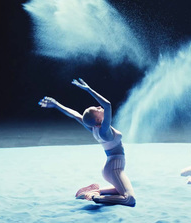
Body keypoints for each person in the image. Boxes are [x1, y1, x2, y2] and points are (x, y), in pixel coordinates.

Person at [38, 78, 136, 207]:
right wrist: (88, 89)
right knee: (129, 199)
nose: (99, 107)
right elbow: (107, 105)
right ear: (98, 119)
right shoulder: (104, 131)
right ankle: (95, 197)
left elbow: (75, 115)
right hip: (114, 168)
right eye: (97, 109)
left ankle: (94, 190)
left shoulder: (94, 128)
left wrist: (56, 104)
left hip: (112, 166)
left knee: (120, 190)